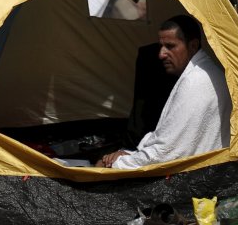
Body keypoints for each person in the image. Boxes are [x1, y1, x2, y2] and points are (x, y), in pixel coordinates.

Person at [98, 15, 231, 168]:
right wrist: (130, 153)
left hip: (194, 177)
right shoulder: (207, 71)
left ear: (193, 46)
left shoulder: (195, 81)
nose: (161, 54)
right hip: (206, 170)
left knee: (101, 165)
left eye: (170, 46)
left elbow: (164, 153)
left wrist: (117, 163)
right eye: (161, 46)